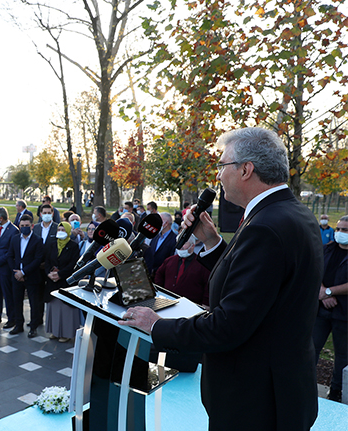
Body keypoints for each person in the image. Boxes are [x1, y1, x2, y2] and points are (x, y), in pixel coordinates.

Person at [120, 127, 323, 430]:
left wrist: (155, 325)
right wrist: (212, 243)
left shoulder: (265, 226)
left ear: (246, 169)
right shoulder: (290, 213)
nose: (218, 176)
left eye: (222, 165)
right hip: (281, 390)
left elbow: (229, 325)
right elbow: (258, 284)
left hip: (255, 402)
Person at [313, 215, 348, 402]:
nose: (340, 233)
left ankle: (336, 391)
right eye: (339, 229)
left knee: (342, 354)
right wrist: (322, 292)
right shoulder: (326, 249)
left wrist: (329, 291)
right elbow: (314, 269)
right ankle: (305, 384)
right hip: (321, 309)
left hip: (344, 313)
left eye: (345, 230)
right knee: (311, 348)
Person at [7, 215, 43, 336]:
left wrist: (23, 272)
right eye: (22, 226)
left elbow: (37, 259)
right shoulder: (15, 239)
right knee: (17, 301)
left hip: (32, 276)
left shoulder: (38, 240)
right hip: (16, 276)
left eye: (27, 225)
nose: (24, 227)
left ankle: (33, 327)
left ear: (32, 226)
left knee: (34, 303)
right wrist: (16, 272)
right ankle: (18, 325)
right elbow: (9, 256)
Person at [44, 222, 80, 342]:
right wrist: (49, 274)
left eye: (63, 230)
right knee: (54, 308)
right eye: (59, 229)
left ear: (68, 232)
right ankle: (55, 332)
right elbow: (47, 261)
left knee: (65, 310)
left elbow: (73, 264)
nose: (60, 232)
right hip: (52, 282)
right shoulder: (52, 244)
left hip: (65, 282)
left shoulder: (74, 246)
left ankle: (66, 334)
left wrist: (60, 275)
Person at [154, 236, 210, 307]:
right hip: (168, 303)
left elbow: (208, 285)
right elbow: (159, 275)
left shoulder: (202, 264)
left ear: (192, 245)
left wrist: (205, 304)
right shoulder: (169, 261)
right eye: (178, 243)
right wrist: (161, 293)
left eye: (184, 243)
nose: (180, 246)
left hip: (191, 306)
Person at [143, 212, 175, 277]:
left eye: (159, 221)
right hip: (150, 274)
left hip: (162, 275)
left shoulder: (174, 239)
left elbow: (171, 260)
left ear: (166, 223)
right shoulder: (155, 236)